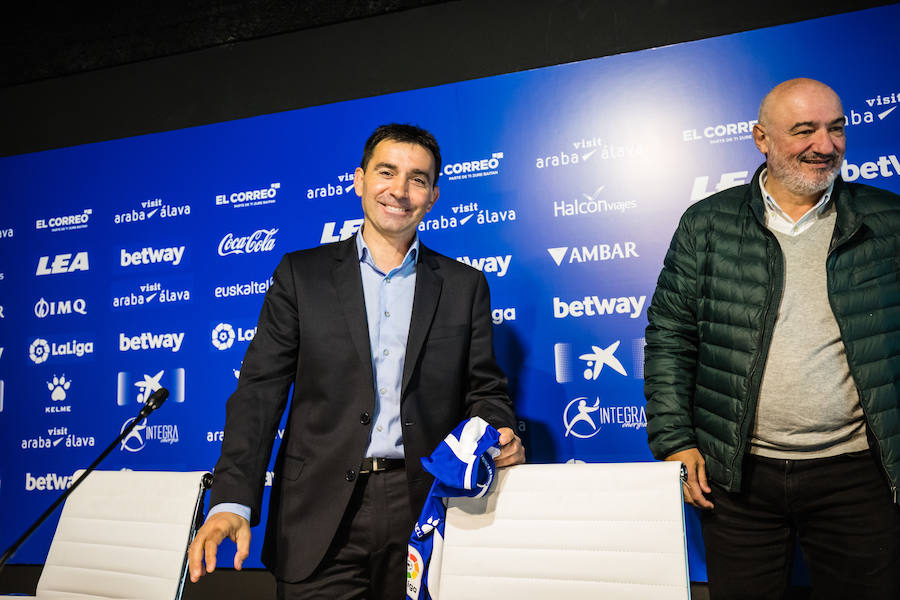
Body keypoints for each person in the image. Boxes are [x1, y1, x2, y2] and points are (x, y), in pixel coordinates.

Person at [188, 123, 525, 599]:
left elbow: (485, 392)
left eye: (418, 179)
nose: (400, 191)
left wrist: (498, 430)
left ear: (433, 197)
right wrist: (232, 500)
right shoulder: (300, 276)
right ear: (359, 180)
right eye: (387, 172)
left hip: (426, 511)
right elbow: (258, 394)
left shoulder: (464, 286)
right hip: (315, 515)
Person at [644, 78, 900, 599]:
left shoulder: (889, 221)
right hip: (737, 483)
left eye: (836, 129)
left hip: (860, 477)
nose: (824, 146)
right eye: (804, 130)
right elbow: (669, 335)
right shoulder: (706, 224)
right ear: (761, 138)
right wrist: (675, 440)